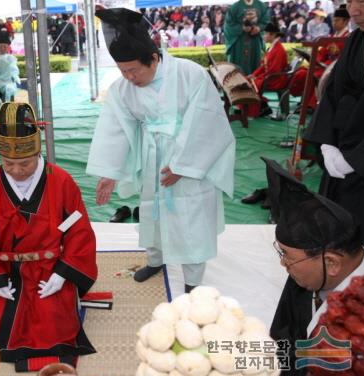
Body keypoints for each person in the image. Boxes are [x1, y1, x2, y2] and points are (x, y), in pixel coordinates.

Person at [86, 8, 235, 291]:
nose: (128, 77)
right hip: (152, 155)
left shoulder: (189, 74)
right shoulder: (122, 89)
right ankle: (156, 260)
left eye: (133, 70)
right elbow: (116, 129)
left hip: (188, 155)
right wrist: (110, 172)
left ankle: (192, 280)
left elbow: (207, 120)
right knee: (151, 209)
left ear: (153, 58)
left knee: (191, 216)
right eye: (122, 70)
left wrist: (183, 165)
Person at [0, 102, 97, 372]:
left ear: (38, 152)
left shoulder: (61, 181)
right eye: (8, 163)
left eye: (24, 163)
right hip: (6, 268)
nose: (16, 170)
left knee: (53, 322)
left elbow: (78, 228)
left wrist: (63, 274)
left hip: (50, 267)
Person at [265, 158, 364, 376]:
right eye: (281, 252)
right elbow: (283, 339)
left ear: (331, 262)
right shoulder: (306, 275)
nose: (283, 263)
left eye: (288, 256)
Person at [303, 0, 364, 257]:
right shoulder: (359, 39)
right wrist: (327, 143)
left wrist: (360, 157)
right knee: (342, 246)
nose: (353, 11)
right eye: (349, 2)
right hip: (343, 159)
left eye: (363, 1)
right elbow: (334, 91)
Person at [289, 6, 350, 109]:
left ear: (346, 21)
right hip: (325, 65)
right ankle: (305, 101)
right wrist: (314, 58)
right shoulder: (334, 35)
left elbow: (344, 58)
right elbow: (323, 52)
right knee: (302, 72)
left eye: (337, 20)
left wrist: (323, 64)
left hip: (335, 68)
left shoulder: (348, 37)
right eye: (333, 20)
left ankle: (311, 105)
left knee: (315, 75)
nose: (334, 23)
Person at [247, 22, 289, 118]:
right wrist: (254, 74)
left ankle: (258, 109)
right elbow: (264, 65)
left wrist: (257, 77)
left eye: (265, 33)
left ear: (273, 35)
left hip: (276, 80)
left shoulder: (278, 49)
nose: (264, 36)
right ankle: (261, 107)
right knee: (248, 79)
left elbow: (274, 70)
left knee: (251, 84)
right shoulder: (273, 46)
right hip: (270, 77)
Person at [224, 0, 270, 75]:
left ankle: (254, 84)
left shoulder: (261, 6)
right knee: (239, 70)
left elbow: (266, 21)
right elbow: (228, 25)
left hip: (254, 41)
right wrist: (241, 28)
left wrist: (259, 28)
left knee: (255, 67)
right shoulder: (235, 7)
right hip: (239, 42)